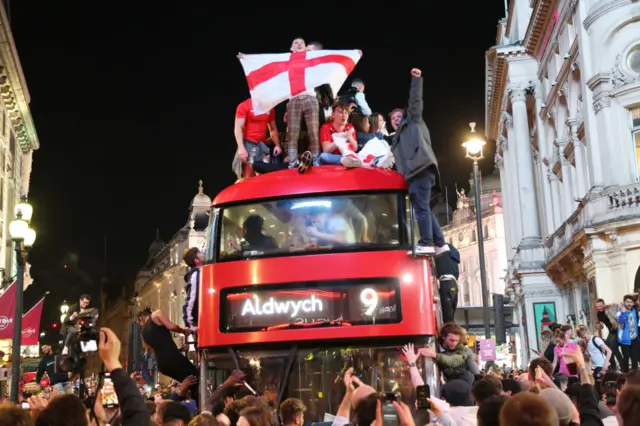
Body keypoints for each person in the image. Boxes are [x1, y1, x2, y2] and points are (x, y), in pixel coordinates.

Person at [390, 68, 449, 256]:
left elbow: (415, 101)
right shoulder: (396, 139)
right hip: (415, 173)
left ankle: (426, 242)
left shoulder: (413, 120)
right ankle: (440, 244)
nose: (397, 119)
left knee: (421, 208)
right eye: (393, 118)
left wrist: (416, 80)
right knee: (423, 208)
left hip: (421, 168)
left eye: (399, 116)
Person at [137, 308, 198, 401]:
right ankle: (200, 406)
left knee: (188, 382)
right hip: (172, 358)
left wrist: (180, 349)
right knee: (195, 376)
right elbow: (171, 327)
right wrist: (183, 331)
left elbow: (154, 349)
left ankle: (188, 402)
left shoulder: (143, 334)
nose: (141, 325)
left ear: (141, 318)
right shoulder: (156, 314)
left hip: (162, 365)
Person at [182, 247, 203, 332]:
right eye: (200, 253)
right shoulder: (195, 275)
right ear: (196, 260)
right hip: (198, 323)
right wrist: (191, 324)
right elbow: (191, 300)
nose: (203, 253)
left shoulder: (201, 272)